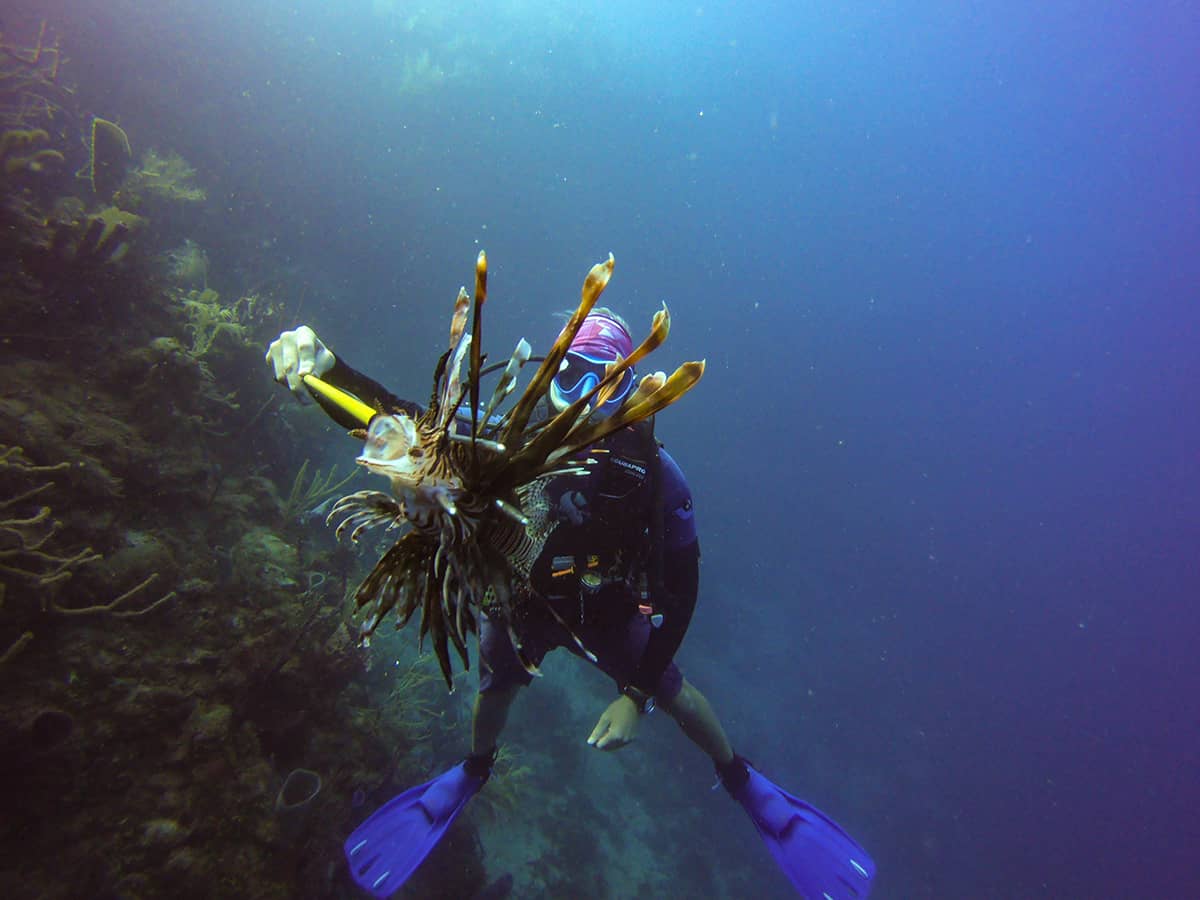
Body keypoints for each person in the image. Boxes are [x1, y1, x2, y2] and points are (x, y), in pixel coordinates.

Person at [267, 312, 876, 899]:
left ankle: (740, 778)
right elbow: (402, 421)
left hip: (605, 611)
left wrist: (634, 696)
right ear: (552, 373)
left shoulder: (660, 480)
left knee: (673, 692)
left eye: (606, 381)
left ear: (631, 390)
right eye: (570, 374)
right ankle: (474, 769)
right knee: (495, 687)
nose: (584, 395)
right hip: (513, 600)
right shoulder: (501, 439)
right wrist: (329, 371)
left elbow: (683, 595)